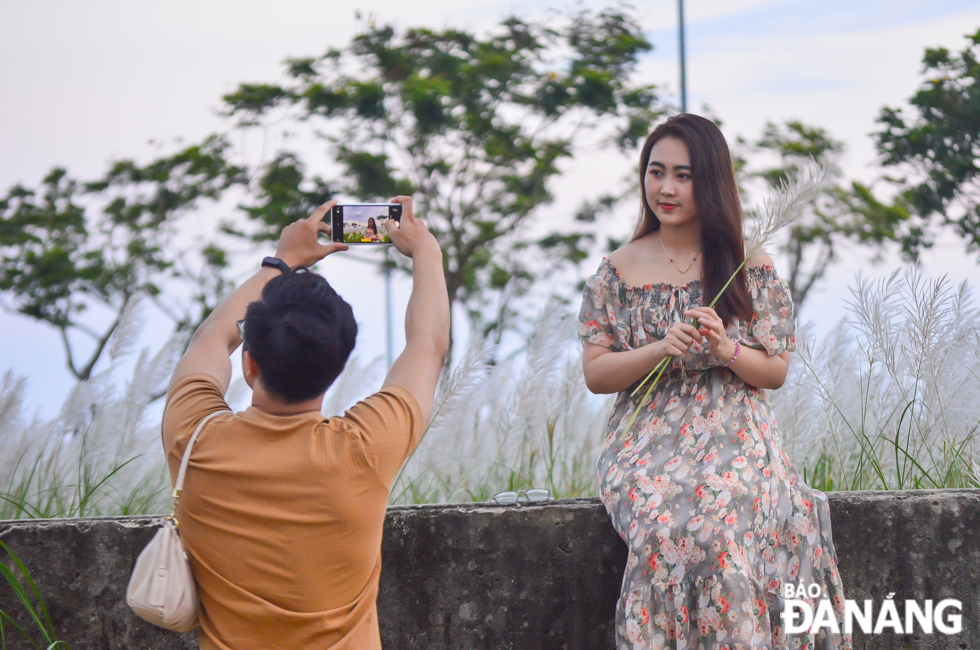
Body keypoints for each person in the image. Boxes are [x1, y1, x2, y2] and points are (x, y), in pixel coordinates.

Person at [578, 114, 851, 649]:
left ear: (711, 182)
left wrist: (726, 350)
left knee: (724, 520)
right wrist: (659, 349)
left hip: (735, 430)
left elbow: (774, 371)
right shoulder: (616, 269)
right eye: (656, 173)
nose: (666, 188)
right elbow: (596, 373)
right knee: (660, 528)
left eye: (684, 175)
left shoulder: (749, 264)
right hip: (644, 438)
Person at [161, 196, 449, 649]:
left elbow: (211, 340)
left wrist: (282, 260)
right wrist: (426, 250)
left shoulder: (193, 436)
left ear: (249, 363)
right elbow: (428, 346)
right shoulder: (364, 446)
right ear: (339, 366)